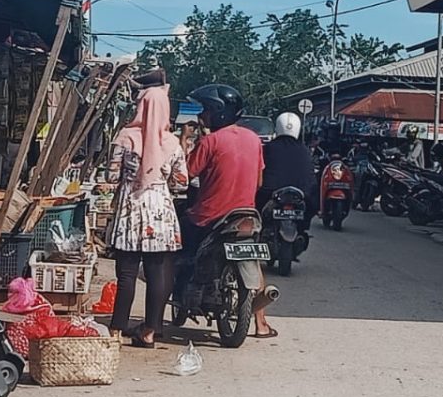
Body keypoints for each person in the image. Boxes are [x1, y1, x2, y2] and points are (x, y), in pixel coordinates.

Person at [182, 84, 278, 338]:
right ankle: (261, 322)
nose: (202, 116)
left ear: (217, 112)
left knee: (179, 248)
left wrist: (184, 140)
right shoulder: (254, 139)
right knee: (256, 260)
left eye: (206, 111)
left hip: (210, 216)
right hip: (246, 215)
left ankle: (174, 299)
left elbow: (186, 174)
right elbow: (258, 182)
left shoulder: (210, 141)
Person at [106, 84, 187, 348]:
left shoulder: (125, 138)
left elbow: (110, 176)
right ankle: (150, 331)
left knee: (127, 273)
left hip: (131, 208)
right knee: (157, 272)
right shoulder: (173, 143)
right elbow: (181, 183)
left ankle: (117, 329)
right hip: (160, 211)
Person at [259, 111, 319, 230]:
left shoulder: (268, 148)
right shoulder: (305, 150)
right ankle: (302, 229)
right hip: (302, 194)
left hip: (270, 192)